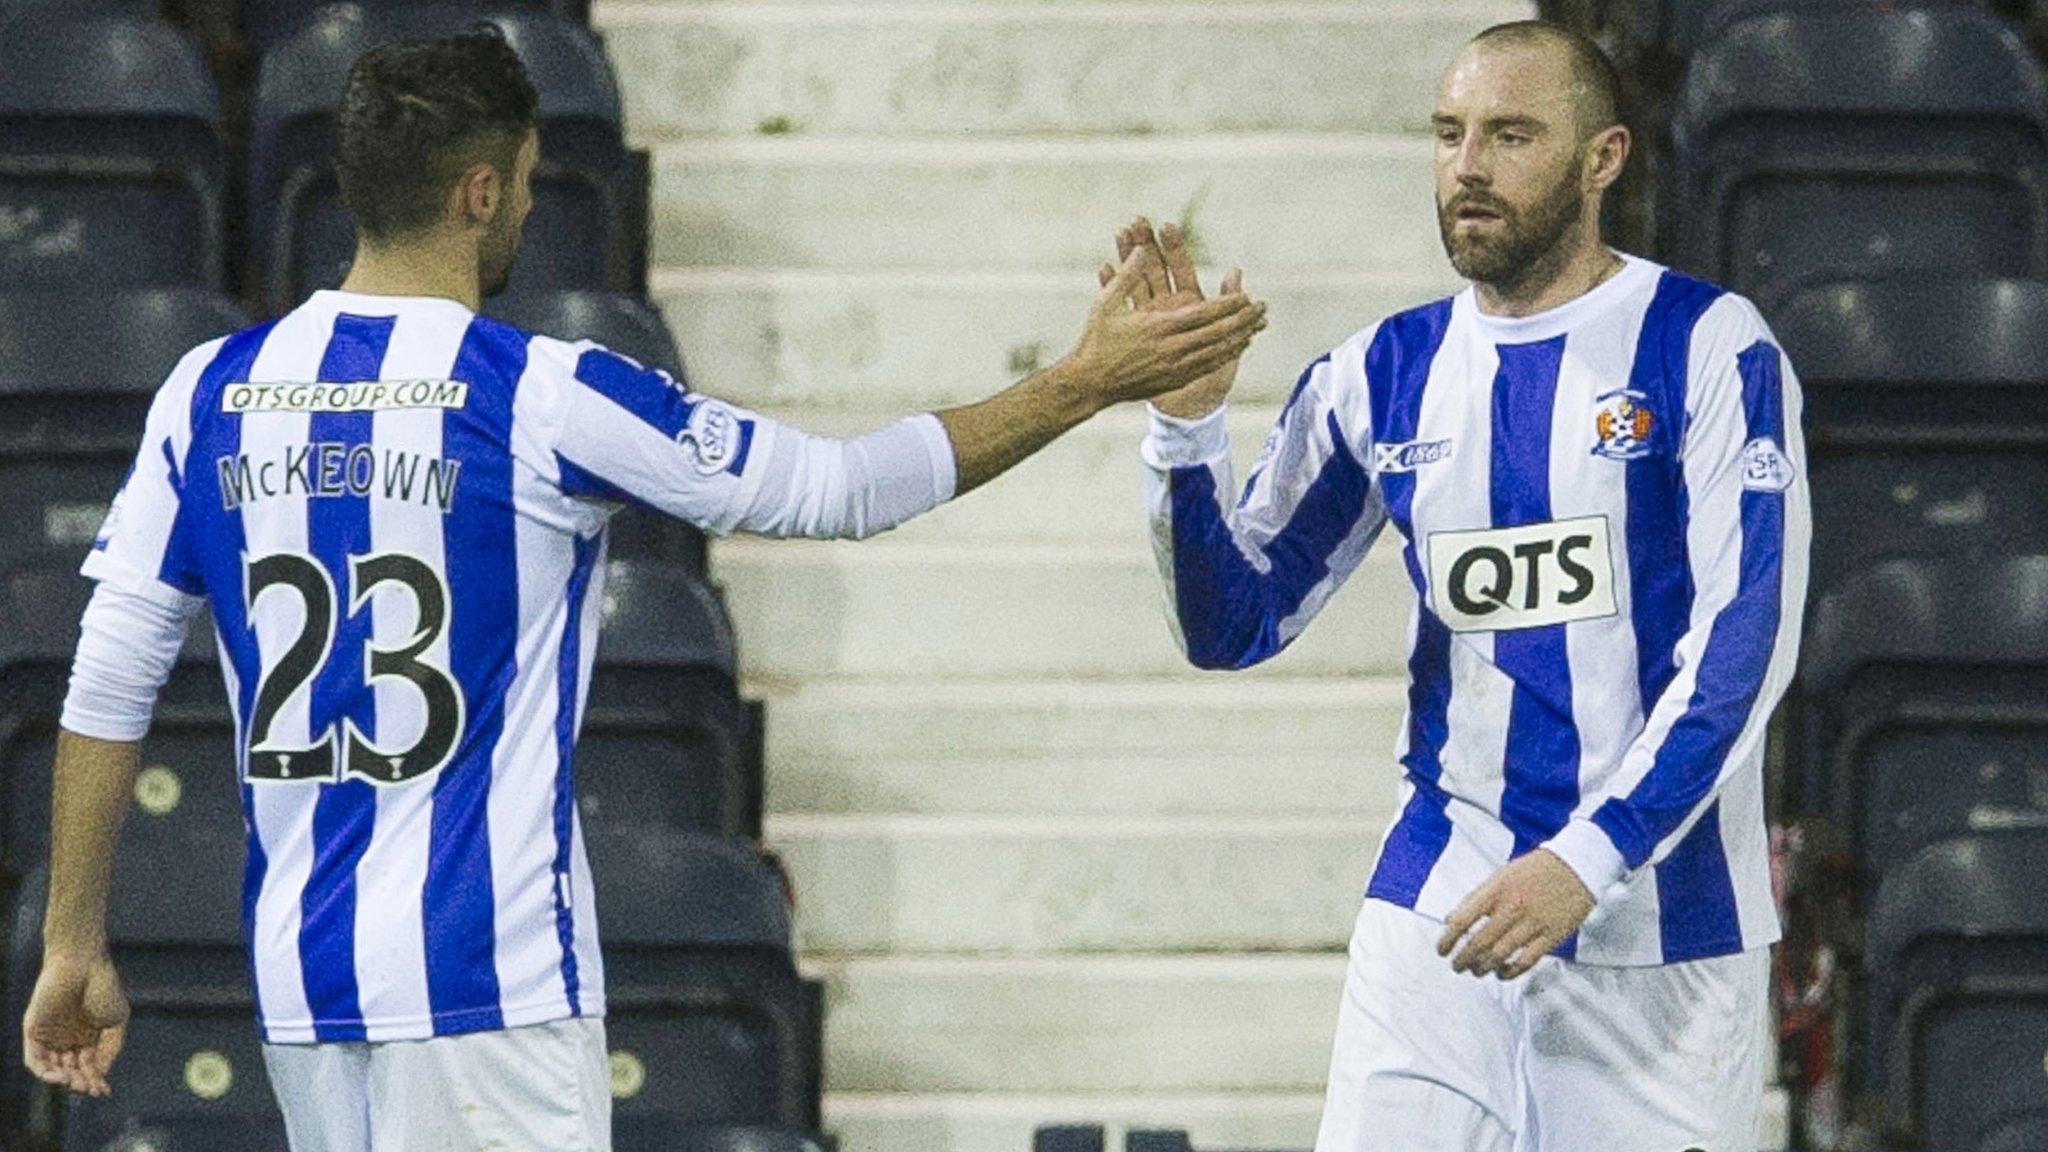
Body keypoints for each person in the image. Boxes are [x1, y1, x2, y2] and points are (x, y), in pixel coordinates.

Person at [20, 25, 1266, 1152]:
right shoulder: (540, 392)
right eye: (521, 178)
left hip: (302, 992)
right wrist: (1079, 383)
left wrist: (72, 940)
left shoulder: (209, 393)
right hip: (489, 992)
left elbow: (111, 673)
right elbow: (833, 490)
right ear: (482, 188)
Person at [1127, 20, 1809, 1152]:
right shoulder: (1378, 374)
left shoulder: (1705, 347)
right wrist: (1186, 431)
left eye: (1508, 134)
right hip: (1437, 915)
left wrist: (1585, 862)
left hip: (1662, 937)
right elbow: (1229, 624)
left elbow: (1746, 644)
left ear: (1602, 160)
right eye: (1446, 135)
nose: (1467, 167)